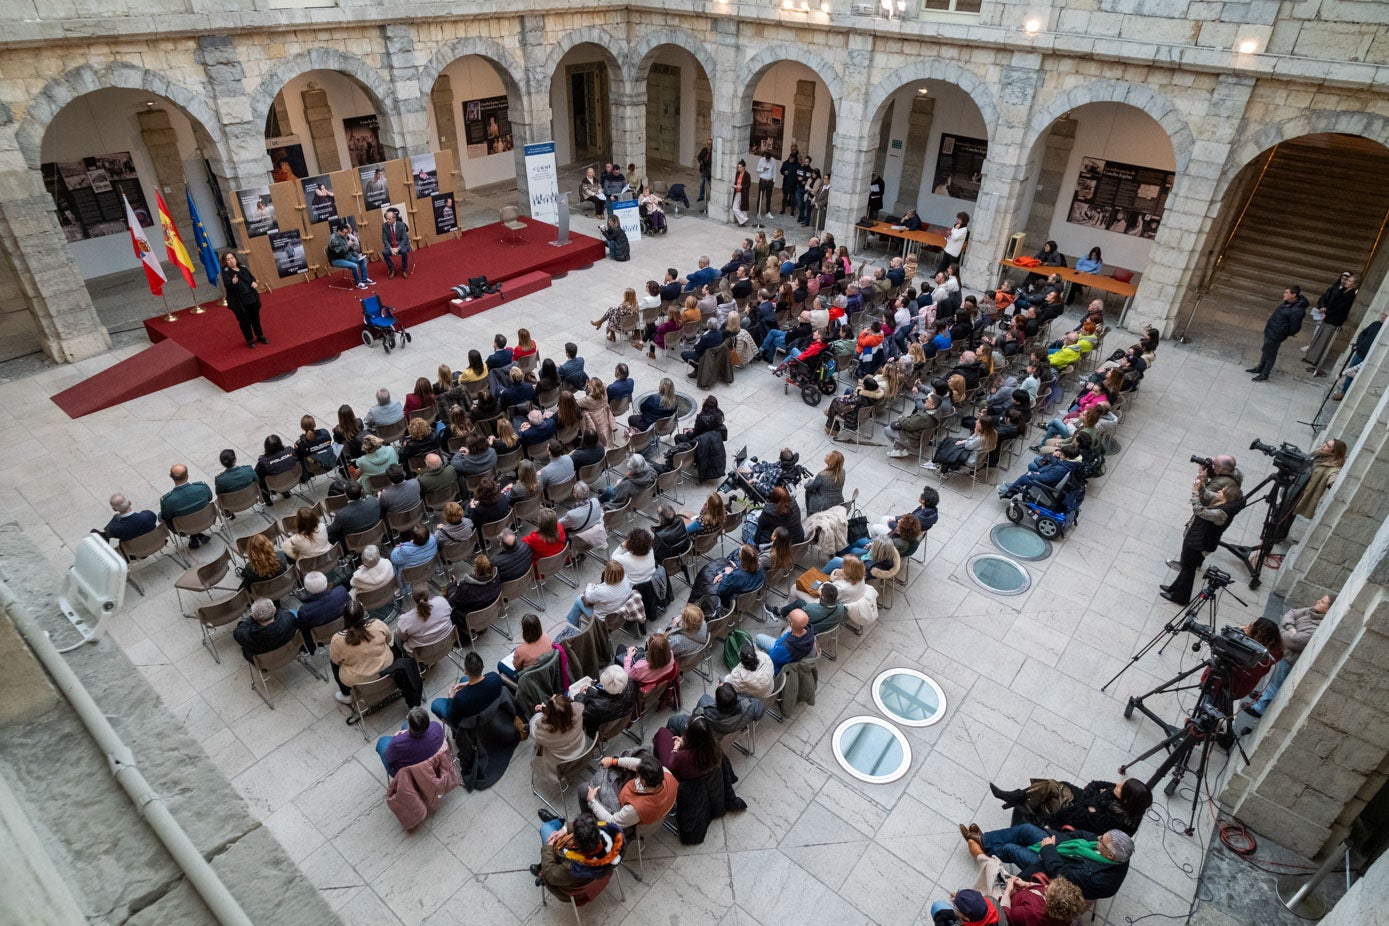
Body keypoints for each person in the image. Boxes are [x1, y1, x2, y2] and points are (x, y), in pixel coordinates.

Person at [959, 823, 1133, 901]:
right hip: (1061, 848)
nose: (1098, 838)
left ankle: (985, 851)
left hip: (1053, 869)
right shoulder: (1104, 846)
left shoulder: (1099, 878)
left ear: (1110, 855)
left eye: (1102, 840)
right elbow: (1080, 834)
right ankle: (985, 840)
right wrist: (1058, 841)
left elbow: (1062, 875)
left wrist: (1048, 849)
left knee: (1012, 849)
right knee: (1026, 829)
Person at [1161, 455, 1245, 605]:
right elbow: (1207, 495)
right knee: (1187, 566)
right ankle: (1173, 588)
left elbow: (1200, 509)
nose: (1217, 492)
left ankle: (1180, 598)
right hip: (1198, 536)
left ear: (1225, 498)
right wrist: (1201, 480)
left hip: (1200, 541)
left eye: (1220, 492)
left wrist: (1196, 488)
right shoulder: (1223, 500)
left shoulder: (1221, 512)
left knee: (1188, 570)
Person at [1245, 593, 1336, 718]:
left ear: (1329, 610)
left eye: (1322, 602)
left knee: (1275, 685)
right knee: (1272, 680)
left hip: (1289, 659)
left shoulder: (1318, 627)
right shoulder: (1310, 611)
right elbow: (1291, 613)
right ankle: (1262, 696)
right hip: (1283, 652)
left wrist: (1283, 629)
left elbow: (1295, 641)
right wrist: (1291, 629)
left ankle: (1259, 708)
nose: (1318, 601)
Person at [329, 600, 423, 707]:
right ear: (363, 614)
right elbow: (388, 639)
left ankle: (346, 695)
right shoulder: (377, 624)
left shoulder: (337, 640)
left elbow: (336, 660)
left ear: (344, 618)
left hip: (358, 683)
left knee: (334, 663)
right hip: (387, 669)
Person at [988, 777, 1153, 837]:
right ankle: (1015, 798)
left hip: (1074, 820)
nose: (1116, 785)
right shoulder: (1123, 799)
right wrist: (1094, 800)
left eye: (1120, 788)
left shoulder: (1115, 821)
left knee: (1051, 790)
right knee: (1052, 785)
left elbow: (1082, 813)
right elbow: (1096, 785)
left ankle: (1017, 800)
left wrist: (1093, 798)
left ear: (1126, 799)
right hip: (1083, 806)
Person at [530, 811, 623, 900]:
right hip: (599, 875)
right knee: (555, 830)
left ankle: (557, 821)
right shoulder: (613, 837)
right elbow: (589, 828)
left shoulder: (573, 867)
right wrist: (564, 830)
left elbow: (551, 875)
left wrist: (548, 847)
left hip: (573, 888)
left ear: (575, 842)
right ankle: (558, 824)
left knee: (545, 828)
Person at [584, 751, 678, 828]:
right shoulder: (666, 773)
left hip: (628, 815)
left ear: (644, 782)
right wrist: (614, 761)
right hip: (652, 810)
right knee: (635, 756)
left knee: (584, 790)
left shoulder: (635, 809)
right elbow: (638, 764)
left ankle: (588, 822)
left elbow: (613, 821)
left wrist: (592, 801)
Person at [1248, 285, 1309, 381]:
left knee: (1271, 354)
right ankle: (1260, 368)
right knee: (1266, 350)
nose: (1284, 294)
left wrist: (1283, 332)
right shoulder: (1287, 303)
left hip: (1276, 335)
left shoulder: (1297, 310)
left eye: (1286, 292)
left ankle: (1265, 374)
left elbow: (1296, 327)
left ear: (1293, 295)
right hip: (1271, 331)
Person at [1305, 272, 1358, 374]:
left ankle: (1316, 360)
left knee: (1324, 340)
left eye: (1350, 281)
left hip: (1334, 319)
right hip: (1328, 316)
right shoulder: (1342, 290)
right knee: (1319, 336)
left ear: (1354, 284)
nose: (1347, 282)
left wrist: (1328, 313)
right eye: (1347, 280)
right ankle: (1311, 357)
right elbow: (1331, 301)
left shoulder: (1350, 295)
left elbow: (1340, 307)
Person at [432, 650, 504, 724]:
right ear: (483, 666)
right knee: (464, 680)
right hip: (490, 708)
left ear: (465, 671)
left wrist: (451, 698)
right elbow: (483, 680)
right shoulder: (495, 677)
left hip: (471, 723)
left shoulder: (460, 699)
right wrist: (468, 683)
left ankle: (455, 730)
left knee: (435, 704)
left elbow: (453, 718)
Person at [375, 707, 446, 777]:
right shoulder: (436, 726)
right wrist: (406, 733)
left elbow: (389, 758)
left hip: (407, 775)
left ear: (410, 727)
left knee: (382, 741)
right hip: (432, 761)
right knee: (404, 725)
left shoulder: (397, 743)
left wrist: (396, 738)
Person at [157, 463, 213, 548]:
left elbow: (166, 517)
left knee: (161, 516)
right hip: (207, 520)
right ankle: (197, 535)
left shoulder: (167, 501)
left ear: (171, 477)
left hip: (183, 529)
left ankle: (194, 536)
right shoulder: (202, 487)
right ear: (187, 476)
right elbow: (210, 498)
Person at [563, 560, 632, 628]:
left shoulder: (602, 591)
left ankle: (572, 627)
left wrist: (589, 585)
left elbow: (588, 598)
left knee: (578, 600)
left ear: (607, 573)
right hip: (620, 614)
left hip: (603, 620)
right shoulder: (625, 578)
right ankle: (572, 623)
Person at [1333, 309, 1384, 399]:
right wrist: (1359, 344)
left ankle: (1349, 395)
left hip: (1368, 358)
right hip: (1360, 352)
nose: (1383, 316)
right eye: (1384, 314)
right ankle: (1343, 393)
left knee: (1357, 376)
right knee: (1350, 371)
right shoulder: (1376, 324)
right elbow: (1363, 333)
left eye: (1386, 316)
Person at [232, 597, 300, 663]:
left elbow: (237, 631)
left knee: (240, 624)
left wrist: (253, 618)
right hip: (290, 650)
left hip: (264, 661)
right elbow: (290, 613)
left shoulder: (246, 635)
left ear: (254, 616)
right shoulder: (288, 617)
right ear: (274, 609)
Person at [444, 554, 502, 628]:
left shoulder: (466, 588)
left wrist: (452, 585)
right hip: (490, 612)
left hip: (469, 620)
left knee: (446, 594)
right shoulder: (496, 577)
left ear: (477, 570)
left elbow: (453, 601)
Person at [221, 253, 266, 348]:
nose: (231, 260)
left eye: (232, 258)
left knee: (255, 318)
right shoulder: (226, 272)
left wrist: (254, 282)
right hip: (239, 302)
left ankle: (259, 335)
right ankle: (249, 339)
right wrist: (232, 282)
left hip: (252, 298)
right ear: (225, 262)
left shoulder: (243, 267)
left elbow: (252, 277)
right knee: (245, 321)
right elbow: (227, 284)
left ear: (236, 258)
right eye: (228, 259)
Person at [1294, 438, 1347, 518]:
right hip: (1294, 488)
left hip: (1300, 496)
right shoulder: (1317, 454)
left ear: (1333, 453)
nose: (1323, 446)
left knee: (1283, 521)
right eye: (1325, 443)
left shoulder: (1334, 467)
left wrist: (1333, 482)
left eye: (1327, 446)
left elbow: (1333, 476)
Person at [754, 608, 815, 674]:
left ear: (791, 624)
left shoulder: (785, 648)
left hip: (779, 664)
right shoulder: (809, 631)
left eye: (789, 617)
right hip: (794, 655)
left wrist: (779, 643)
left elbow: (773, 656)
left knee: (759, 637)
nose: (787, 617)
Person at [504, 613, 552, 680]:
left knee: (500, 665)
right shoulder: (545, 635)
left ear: (524, 630)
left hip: (530, 678)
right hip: (546, 670)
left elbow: (517, 667)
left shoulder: (521, 651)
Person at [327, 220, 373, 288]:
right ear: (339, 231)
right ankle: (358, 283)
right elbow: (340, 252)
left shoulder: (344, 236)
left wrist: (357, 255)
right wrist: (348, 245)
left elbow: (350, 249)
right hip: (337, 259)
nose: (346, 234)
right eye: (345, 233)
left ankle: (364, 279)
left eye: (347, 233)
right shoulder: (334, 240)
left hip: (346, 256)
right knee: (354, 266)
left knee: (363, 260)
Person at [803, 450, 845, 515]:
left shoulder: (822, 475)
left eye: (827, 456)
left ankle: (810, 514)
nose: (825, 455)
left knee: (808, 491)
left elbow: (810, 487)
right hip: (838, 501)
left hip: (823, 506)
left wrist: (807, 482)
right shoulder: (842, 472)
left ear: (831, 461)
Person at [380, 207, 411, 279]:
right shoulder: (384, 226)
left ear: (394, 219)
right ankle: (392, 269)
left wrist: (398, 248)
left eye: (389, 219)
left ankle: (404, 270)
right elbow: (384, 239)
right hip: (391, 246)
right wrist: (391, 249)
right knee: (384, 252)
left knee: (403, 251)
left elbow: (404, 239)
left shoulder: (401, 225)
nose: (387, 220)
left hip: (401, 245)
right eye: (386, 219)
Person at [731, 159, 750, 226]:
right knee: (734, 207)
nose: (738, 168)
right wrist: (735, 186)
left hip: (743, 193)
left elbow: (748, 185)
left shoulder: (747, 175)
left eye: (740, 167)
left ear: (744, 167)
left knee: (743, 208)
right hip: (737, 192)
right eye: (738, 167)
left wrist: (741, 187)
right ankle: (744, 219)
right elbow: (736, 182)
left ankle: (742, 221)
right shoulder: (737, 173)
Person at [696, 138, 712, 203]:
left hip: (709, 171)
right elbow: (699, 157)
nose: (709, 145)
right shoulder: (704, 150)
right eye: (708, 144)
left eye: (710, 144)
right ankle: (701, 196)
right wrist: (701, 162)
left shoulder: (713, 152)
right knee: (701, 184)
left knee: (711, 185)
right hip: (703, 170)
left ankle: (712, 198)